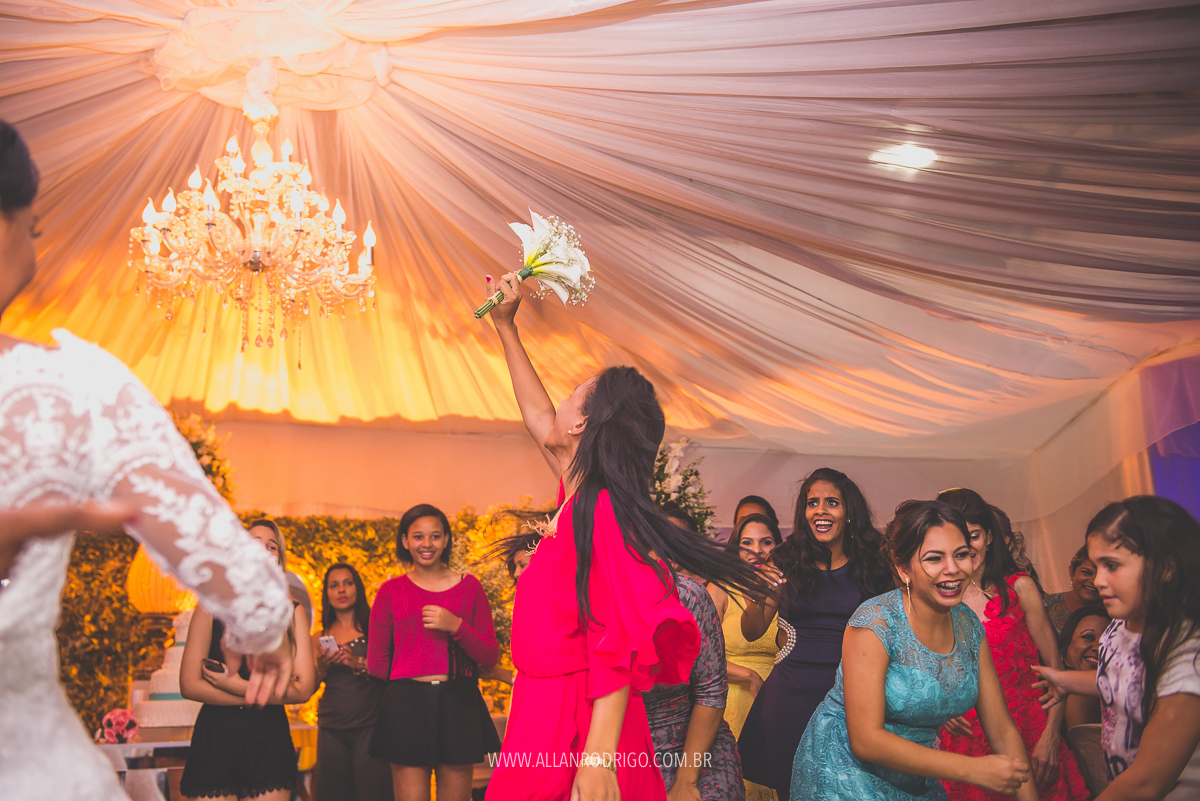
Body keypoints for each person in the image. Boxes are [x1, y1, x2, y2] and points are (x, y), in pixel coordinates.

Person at [0, 120, 295, 801]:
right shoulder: (74, 389)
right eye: (33, 225)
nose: (34, 243)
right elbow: (235, 568)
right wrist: (267, 628)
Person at [481, 271, 766, 801]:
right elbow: (538, 417)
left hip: (575, 717)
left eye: (571, 395)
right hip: (541, 710)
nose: (556, 405)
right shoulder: (578, 499)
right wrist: (505, 327)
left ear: (581, 428)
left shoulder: (603, 510)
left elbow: (617, 639)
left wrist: (597, 758)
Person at [791, 500, 1036, 801]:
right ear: (904, 568)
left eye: (961, 555)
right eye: (934, 558)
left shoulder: (970, 625)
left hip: (917, 774)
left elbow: (1002, 729)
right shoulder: (874, 622)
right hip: (846, 771)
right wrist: (971, 769)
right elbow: (866, 740)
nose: (953, 569)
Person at [739, 468, 894, 800]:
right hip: (791, 696)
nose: (821, 510)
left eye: (832, 503)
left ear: (849, 513)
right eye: (812, 503)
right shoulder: (783, 560)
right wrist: (760, 594)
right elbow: (751, 631)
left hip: (852, 695)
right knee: (792, 789)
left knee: (851, 789)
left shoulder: (874, 563)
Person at [1032, 496, 1200, 800]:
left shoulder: (1189, 658)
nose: (1098, 581)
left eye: (1112, 566)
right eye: (1096, 567)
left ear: (1166, 568)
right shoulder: (1122, 625)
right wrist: (1064, 680)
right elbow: (1122, 678)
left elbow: (1145, 784)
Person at [937, 488, 1085, 801]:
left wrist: (1050, 737)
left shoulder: (1020, 588)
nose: (966, 546)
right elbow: (925, 670)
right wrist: (939, 707)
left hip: (1029, 736)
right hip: (964, 744)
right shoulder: (938, 598)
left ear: (990, 537)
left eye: (974, 535)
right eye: (956, 538)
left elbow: (1056, 672)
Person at [368, 503, 500, 801]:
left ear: (446, 539)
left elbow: (491, 655)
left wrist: (456, 626)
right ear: (405, 541)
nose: (426, 544)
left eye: (435, 536)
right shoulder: (390, 592)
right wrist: (413, 676)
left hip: (458, 702)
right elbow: (376, 664)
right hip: (407, 706)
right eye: (418, 537)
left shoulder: (469, 588)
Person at [180, 519, 318, 801]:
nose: (265, 550)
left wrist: (232, 684)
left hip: (269, 739)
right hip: (215, 736)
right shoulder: (209, 605)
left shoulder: (292, 613)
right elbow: (189, 685)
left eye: (272, 547)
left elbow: (303, 689)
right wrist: (256, 697)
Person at [645, 571, 745, 801]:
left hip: (695, 747)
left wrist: (686, 781)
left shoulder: (687, 594)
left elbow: (710, 689)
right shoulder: (579, 598)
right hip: (618, 750)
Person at [706, 513, 780, 801]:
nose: (757, 550)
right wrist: (748, 674)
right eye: (747, 542)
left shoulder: (786, 591)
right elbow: (701, 655)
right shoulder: (721, 589)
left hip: (777, 702)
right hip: (732, 701)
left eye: (766, 542)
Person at [313, 562, 393, 801]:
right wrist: (322, 666)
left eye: (347, 583)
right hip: (331, 727)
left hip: (370, 726)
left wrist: (358, 662)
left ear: (357, 587)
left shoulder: (376, 629)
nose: (341, 590)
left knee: (374, 793)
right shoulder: (318, 636)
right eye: (334, 585)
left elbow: (393, 672)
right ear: (326, 593)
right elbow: (307, 685)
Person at [1056, 606, 1109, 730]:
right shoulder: (1077, 692)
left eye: (1106, 642)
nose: (1097, 647)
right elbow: (1085, 747)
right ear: (1066, 642)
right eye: (1088, 637)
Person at [1043, 547, 1101, 637]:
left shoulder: (1115, 613)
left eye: (1100, 575)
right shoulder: (1046, 604)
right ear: (1072, 572)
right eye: (1086, 572)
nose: (1093, 581)